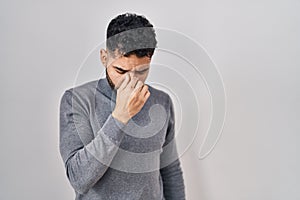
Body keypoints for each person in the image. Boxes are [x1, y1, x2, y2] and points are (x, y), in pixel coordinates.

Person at [59, 12, 186, 200]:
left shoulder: (162, 101)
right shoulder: (77, 100)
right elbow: (79, 179)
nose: (131, 81)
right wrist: (120, 117)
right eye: (121, 70)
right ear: (104, 58)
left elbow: (170, 170)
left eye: (142, 71)